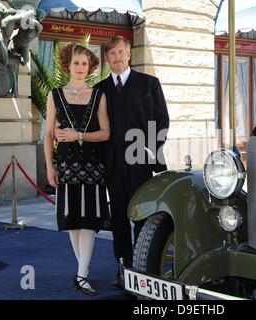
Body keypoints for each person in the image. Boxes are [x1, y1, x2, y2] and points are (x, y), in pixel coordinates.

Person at [95, 36, 170, 288]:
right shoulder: (100, 89)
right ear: (107, 58)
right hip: (112, 163)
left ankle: (142, 270)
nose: (116, 57)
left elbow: (161, 120)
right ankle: (123, 269)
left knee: (141, 216)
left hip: (140, 159)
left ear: (129, 54)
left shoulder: (149, 84)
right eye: (111, 53)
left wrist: (150, 148)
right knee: (117, 219)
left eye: (120, 52)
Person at [44, 44, 110, 296]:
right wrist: (49, 166)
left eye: (84, 63)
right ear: (67, 66)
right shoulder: (55, 95)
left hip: (93, 166)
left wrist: (78, 135)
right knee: (72, 220)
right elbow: (48, 135)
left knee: (90, 222)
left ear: (90, 66)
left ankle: (82, 274)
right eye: (76, 63)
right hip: (66, 166)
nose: (80, 68)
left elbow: (106, 133)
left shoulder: (98, 96)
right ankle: (82, 272)